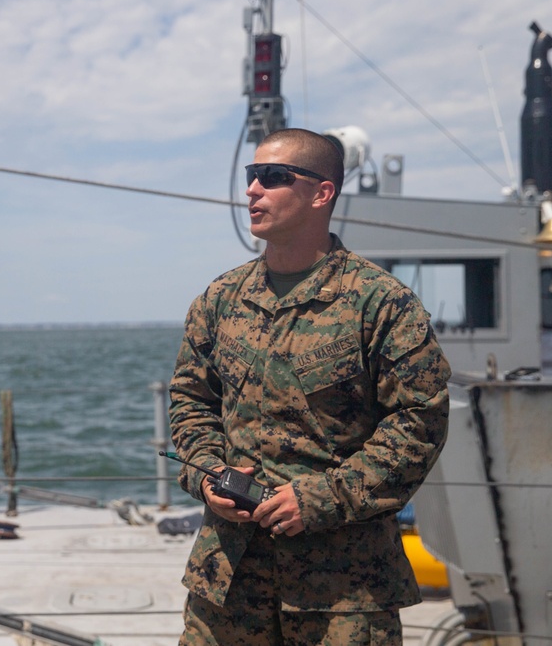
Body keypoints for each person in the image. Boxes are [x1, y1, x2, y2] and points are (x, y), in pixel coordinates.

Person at [168, 128, 451, 645]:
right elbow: (191, 399)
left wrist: (319, 498)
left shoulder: (381, 304)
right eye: (251, 176)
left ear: (321, 193)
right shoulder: (219, 300)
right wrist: (209, 473)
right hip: (228, 578)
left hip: (344, 591)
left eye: (273, 177)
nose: (253, 190)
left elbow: (419, 423)